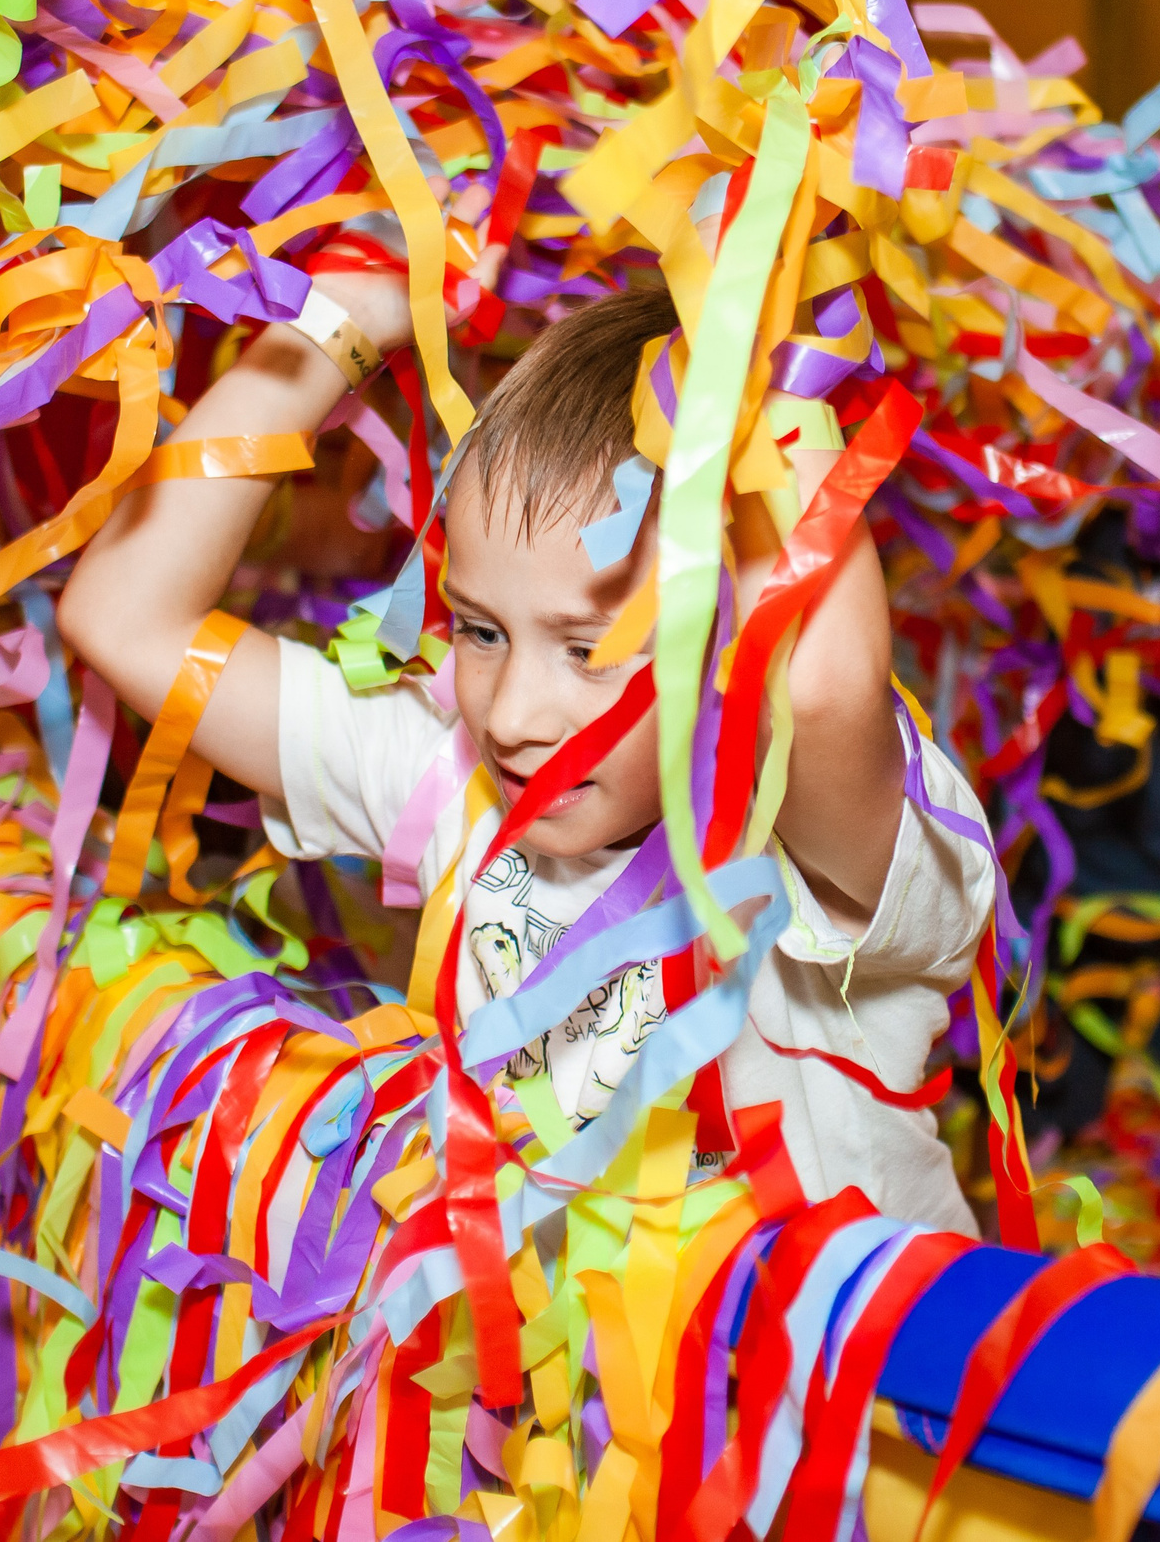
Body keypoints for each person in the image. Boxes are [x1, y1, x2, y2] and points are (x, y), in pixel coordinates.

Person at [60, 266, 993, 1235]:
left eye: (594, 651)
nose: (512, 715)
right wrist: (339, 321)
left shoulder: (836, 858)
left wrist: (763, 371)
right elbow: (126, 617)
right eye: (480, 630)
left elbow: (820, 687)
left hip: (863, 1382)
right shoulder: (449, 783)